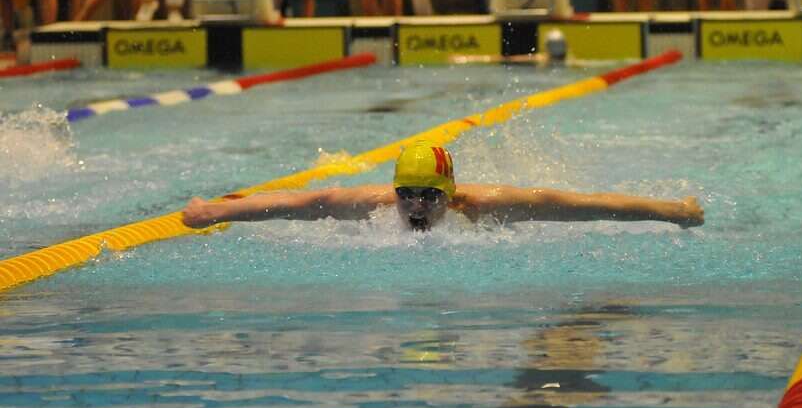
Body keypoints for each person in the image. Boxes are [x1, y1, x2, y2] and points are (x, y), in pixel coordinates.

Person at [181, 141, 705, 232]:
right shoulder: (372, 204)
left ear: (449, 195)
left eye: (430, 195)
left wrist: (672, 211)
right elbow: (300, 203)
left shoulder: (484, 207)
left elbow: (583, 206)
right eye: (406, 193)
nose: (415, 206)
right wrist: (215, 212)